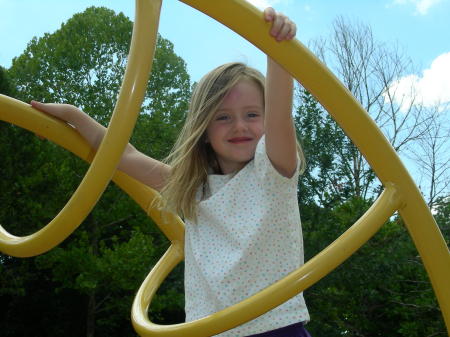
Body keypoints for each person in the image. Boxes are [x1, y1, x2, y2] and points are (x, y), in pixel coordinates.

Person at [31, 7, 311, 337]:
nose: (239, 126)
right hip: (210, 331)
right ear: (204, 129)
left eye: (252, 114)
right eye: (222, 117)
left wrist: (278, 48)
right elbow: (123, 154)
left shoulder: (273, 172)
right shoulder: (195, 189)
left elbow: (280, 112)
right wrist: (75, 116)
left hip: (273, 327)